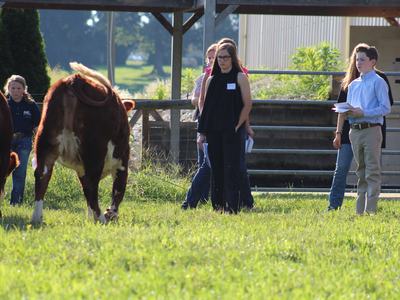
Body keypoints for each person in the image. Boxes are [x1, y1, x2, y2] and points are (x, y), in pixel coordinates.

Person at [328, 43, 393, 211]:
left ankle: (370, 209)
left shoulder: (378, 82)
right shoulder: (353, 85)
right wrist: (348, 113)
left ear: (373, 61)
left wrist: (363, 112)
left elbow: (386, 108)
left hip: (371, 129)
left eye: (362, 59)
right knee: (360, 171)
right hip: (355, 131)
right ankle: (359, 210)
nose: (358, 63)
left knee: (372, 170)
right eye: (357, 59)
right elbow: (348, 107)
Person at [197, 42, 252, 213]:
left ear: (232, 58)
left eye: (225, 57)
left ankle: (232, 206)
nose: (222, 61)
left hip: (233, 131)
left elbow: (247, 104)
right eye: (219, 58)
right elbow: (206, 107)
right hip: (215, 131)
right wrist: (203, 132)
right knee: (217, 168)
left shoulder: (240, 77)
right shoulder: (211, 79)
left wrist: (238, 125)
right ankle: (218, 205)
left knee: (232, 168)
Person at [181, 44, 217, 209]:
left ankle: (203, 197)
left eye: (214, 56)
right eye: (209, 57)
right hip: (204, 122)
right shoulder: (203, 78)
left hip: (217, 123)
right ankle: (200, 197)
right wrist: (202, 100)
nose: (211, 60)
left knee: (208, 162)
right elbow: (194, 100)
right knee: (203, 160)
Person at [5, 75, 40, 206]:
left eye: (19, 88)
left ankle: (16, 202)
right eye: (13, 88)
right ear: (8, 88)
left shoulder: (31, 106)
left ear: (24, 89)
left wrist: (38, 145)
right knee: (3, 171)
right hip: (6, 142)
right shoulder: (4, 105)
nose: (15, 91)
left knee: (20, 173)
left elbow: (37, 126)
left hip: (24, 141)